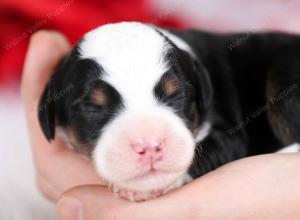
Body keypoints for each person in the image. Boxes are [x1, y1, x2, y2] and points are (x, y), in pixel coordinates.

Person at [21, 30, 300, 220]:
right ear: (53, 117)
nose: (148, 144)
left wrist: (181, 177)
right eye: (95, 108)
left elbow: (229, 140)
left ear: (198, 94)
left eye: (173, 97)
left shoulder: (198, 70)